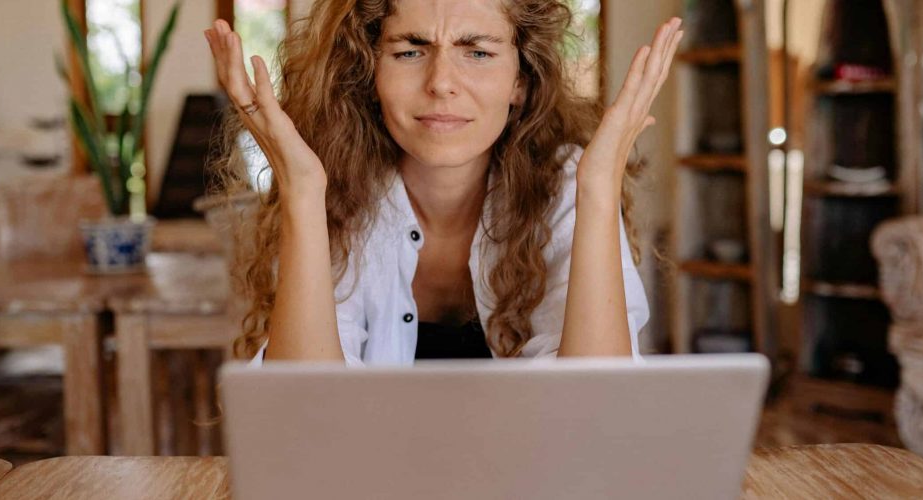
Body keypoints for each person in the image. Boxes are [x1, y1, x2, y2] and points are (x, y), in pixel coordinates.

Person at [203, 0, 682, 364]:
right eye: (410, 51)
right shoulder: (335, 188)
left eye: (477, 52)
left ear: (521, 79)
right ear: (371, 73)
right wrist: (303, 194)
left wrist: (598, 189)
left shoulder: (564, 183)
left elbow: (596, 415)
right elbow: (305, 418)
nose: (442, 83)